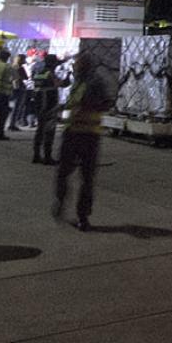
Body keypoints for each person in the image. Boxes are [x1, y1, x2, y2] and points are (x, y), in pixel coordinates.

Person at [54, 52, 116, 230]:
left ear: (85, 65)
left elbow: (106, 103)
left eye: (77, 63)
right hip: (73, 133)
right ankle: (62, 203)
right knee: (66, 174)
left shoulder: (94, 83)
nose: (73, 66)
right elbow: (72, 104)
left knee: (85, 178)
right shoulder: (78, 82)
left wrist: (86, 105)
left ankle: (83, 216)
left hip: (87, 135)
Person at [31, 53, 68, 165]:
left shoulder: (39, 74)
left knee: (39, 131)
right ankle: (47, 157)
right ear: (53, 64)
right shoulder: (50, 74)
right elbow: (62, 84)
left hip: (39, 106)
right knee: (49, 132)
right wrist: (68, 77)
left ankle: (36, 155)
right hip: (49, 107)